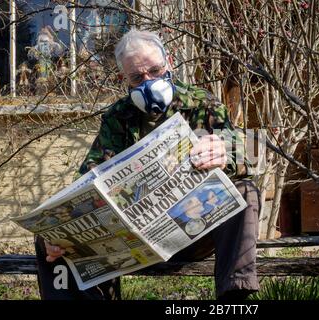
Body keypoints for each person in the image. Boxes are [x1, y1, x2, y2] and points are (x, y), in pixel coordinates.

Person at [35, 29, 260, 300]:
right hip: (134, 244)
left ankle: (233, 301)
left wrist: (227, 154)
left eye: (155, 70)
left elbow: (249, 155)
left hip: (193, 233)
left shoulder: (204, 104)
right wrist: (59, 228)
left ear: (170, 63)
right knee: (49, 238)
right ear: (124, 81)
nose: (149, 81)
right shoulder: (118, 117)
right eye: (137, 77)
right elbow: (89, 176)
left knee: (246, 191)